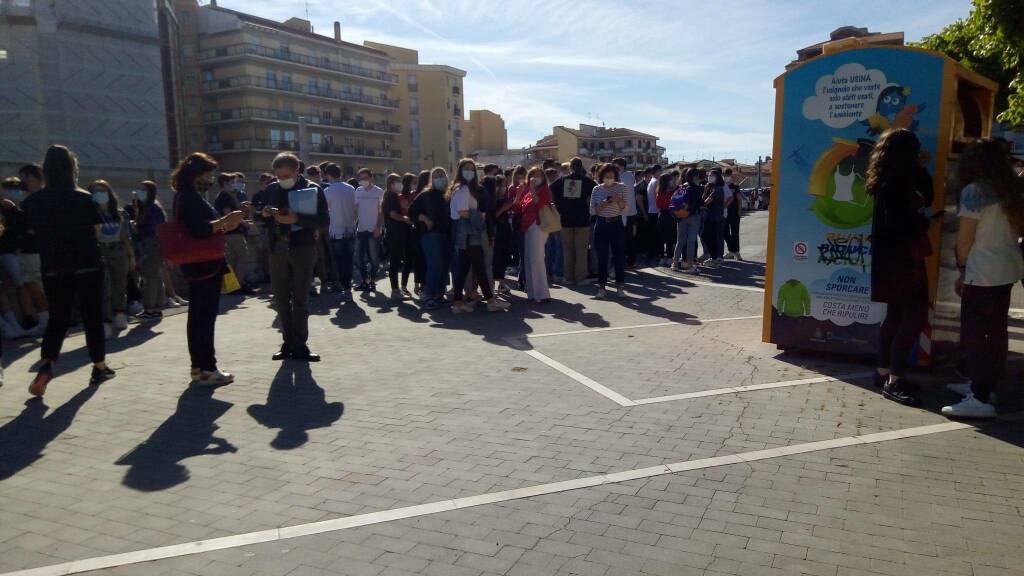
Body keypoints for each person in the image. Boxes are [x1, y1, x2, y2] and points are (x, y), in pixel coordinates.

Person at [22, 145, 114, 396]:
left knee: (58, 318)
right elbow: (97, 231)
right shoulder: (84, 197)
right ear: (72, 168)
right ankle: (99, 366)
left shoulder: (34, 201)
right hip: (87, 265)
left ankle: (47, 365)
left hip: (53, 267)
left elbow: (29, 234)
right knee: (92, 316)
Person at [942, 140, 1024, 418]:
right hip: (1007, 268)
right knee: (995, 333)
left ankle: (979, 396)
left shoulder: (974, 191)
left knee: (976, 336)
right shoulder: (1010, 190)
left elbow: (965, 239)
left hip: (982, 271)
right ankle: (983, 387)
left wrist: (963, 269)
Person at [868, 129, 938, 406]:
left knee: (895, 315)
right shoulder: (901, 181)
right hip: (904, 260)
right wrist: (923, 224)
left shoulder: (884, 179)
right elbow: (919, 206)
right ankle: (894, 381)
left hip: (888, 260)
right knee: (914, 316)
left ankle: (883, 370)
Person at [173, 153, 244, 385]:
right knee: (204, 317)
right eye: (207, 174)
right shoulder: (190, 197)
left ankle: (198, 367)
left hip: (198, 264)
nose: (209, 178)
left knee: (197, 317)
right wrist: (226, 221)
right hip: (204, 264)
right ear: (196, 175)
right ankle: (207, 368)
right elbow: (200, 229)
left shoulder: (185, 196)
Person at [260, 152, 329, 362]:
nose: (282, 180)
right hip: (278, 247)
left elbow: (324, 220)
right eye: (278, 176)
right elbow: (258, 216)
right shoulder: (271, 189)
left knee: (300, 299)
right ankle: (287, 342)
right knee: (281, 299)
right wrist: (262, 214)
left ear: (297, 171)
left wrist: (297, 218)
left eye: (286, 175)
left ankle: (300, 345)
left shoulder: (313, 189)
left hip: (303, 247)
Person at [447, 159, 510, 314]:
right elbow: (462, 212)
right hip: (467, 230)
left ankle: (458, 302)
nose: (469, 171)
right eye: (466, 168)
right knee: (479, 267)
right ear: (460, 171)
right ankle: (490, 301)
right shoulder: (462, 189)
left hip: (466, 231)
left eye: (471, 168)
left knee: (464, 268)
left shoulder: (463, 188)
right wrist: (479, 215)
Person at [88, 180, 135, 333]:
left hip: (118, 250)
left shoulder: (119, 213)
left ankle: (119, 313)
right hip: (100, 250)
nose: (99, 194)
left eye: (102, 190)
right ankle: (106, 321)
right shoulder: (90, 213)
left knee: (120, 283)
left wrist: (131, 256)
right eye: (95, 191)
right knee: (104, 286)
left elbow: (125, 236)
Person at [13, 164, 50, 336]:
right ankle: (44, 319)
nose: (21, 182)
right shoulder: (28, 200)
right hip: (26, 248)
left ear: (32, 177)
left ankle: (47, 320)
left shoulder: (40, 198)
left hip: (35, 249)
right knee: (31, 284)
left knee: (36, 284)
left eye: (24, 178)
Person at [409, 167, 450, 309]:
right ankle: (427, 294)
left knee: (444, 264)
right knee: (435, 263)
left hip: (445, 233)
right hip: (429, 233)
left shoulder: (447, 194)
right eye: (436, 176)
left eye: (442, 175)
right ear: (432, 179)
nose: (440, 178)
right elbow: (411, 211)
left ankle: (439, 294)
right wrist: (424, 218)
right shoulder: (426, 194)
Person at [551, 157, 596, 286]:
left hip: (564, 220)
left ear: (570, 167)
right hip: (583, 220)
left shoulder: (561, 181)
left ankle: (568, 278)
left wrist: (560, 207)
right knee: (581, 250)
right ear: (581, 167)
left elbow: (551, 190)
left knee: (567, 250)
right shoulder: (588, 182)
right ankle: (581, 278)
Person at [513, 166, 553, 303]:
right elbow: (517, 208)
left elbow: (539, 202)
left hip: (538, 225)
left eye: (538, 175)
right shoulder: (527, 193)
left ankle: (542, 293)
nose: (535, 178)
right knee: (529, 260)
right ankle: (532, 292)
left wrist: (531, 189)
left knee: (537, 259)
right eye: (533, 175)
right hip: (527, 227)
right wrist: (518, 194)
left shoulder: (544, 190)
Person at [590, 164, 629, 298]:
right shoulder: (596, 189)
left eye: (612, 177)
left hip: (616, 223)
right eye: (606, 177)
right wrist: (605, 203)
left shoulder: (622, 187)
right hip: (601, 224)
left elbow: (625, 208)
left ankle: (620, 287)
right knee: (602, 257)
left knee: (618, 256)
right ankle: (601, 287)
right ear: (602, 176)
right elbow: (593, 210)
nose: (609, 179)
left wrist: (618, 200)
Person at [214, 172, 254, 294]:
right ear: (225, 183)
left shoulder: (222, 196)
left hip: (227, 231)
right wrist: (243, 223)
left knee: (232, 259)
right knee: (242, 256)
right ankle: (239, 283)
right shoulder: (225, 197)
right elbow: (229, 215)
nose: (234, 185)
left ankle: (232, 285)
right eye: (231, 182)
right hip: (234, 231)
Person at [0, 178, 29, 338]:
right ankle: (7, 326)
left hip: (9, 251)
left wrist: (13, 211)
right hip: (6, 251)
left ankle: (14, 325)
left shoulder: (10, 210)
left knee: (11, 287)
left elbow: (17, 228)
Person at [323, 163, 356, 300]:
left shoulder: (327, 191)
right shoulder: (351, 189)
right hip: (350, 229)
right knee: (348, 261)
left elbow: (326, 211)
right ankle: (348, 289)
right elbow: (356, 209)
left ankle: (345, 289)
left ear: (328, 175)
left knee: (339, 262)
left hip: (336, 231)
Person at [135, 180, 166, 318]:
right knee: (156, 276)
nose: (140, 193)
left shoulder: (152, 208)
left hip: (151, 243)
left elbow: (154, 228)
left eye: (143, 190)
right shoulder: (150, 207)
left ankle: (150, 308)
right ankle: (157, 306)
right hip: (153, 243)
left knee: (150, 277)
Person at [382, 173, 414, 300]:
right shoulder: (392, 196)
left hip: (393, 232)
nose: (401, 184)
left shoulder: (388, 195)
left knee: (394, 261)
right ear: (392, 183)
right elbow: (393, 214)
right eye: (398, 181)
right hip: (395, 233)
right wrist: (405, 219)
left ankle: (396, 289)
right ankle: (395, 290)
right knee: (394, 262)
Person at [354, 168, 383, 292]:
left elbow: (382, 212)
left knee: (374, 258)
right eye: (360, 178)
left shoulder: (379, 192)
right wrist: (353, 225)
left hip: (374, 229)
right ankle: (365, 280)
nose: (363, 181)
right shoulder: (358, 191)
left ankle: (372, 281)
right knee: (359, 258)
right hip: (361, 229)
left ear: (371, 178)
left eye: (365, 178)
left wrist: (378, 227)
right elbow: (355, 209)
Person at [672, 168, 704, 271]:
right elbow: (700, 204)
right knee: (691, 241)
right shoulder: (698, 188)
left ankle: (675, 263)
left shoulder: (681, 187)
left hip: (681, 217)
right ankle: (689, 265)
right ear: (695, 176)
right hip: (693, 216)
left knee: (680, 241)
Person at [701, 170, 727, 267]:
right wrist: (705, 190)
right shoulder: (711, 188)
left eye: (712, 176)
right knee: (707, 236)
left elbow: (705, 202)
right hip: (710, 217)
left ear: (717, 177)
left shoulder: (718, 189)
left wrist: (701, 204)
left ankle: (715, 258)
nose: (709, 177)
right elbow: (703, 199)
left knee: (711, 237)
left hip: (715, 217)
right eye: (708, 175)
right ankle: (714, 257)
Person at [654, 172, 677, 266]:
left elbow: (658, 205)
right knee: (669, 238)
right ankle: (669, 257)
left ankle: (662, 258)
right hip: (670, 216)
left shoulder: (659, 192)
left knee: (661, 238)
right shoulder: (672, 192)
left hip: (661, 216)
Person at [723, 168, 743, 260]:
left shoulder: (735, 186)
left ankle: (737, 252)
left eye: (728, 175)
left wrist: (739, 211)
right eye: (725, 175)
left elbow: (739, 200)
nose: (727, 177)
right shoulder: (722, 186)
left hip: (734, 213)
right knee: (725, 233)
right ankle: (731, 251)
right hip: (724, 213)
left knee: (735, 233)